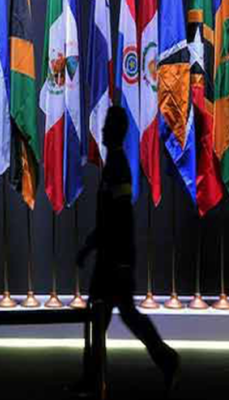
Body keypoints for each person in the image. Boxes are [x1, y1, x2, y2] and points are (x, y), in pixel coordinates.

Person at [76, 106, 180, 395]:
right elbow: (109, 218)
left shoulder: (118, 166)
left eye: (108, 125)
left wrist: (110, 257)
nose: (103, 130)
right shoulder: (114, 163)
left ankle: (94, 378)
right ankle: (164, 361)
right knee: (117, 318)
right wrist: (91, 247)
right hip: (110, 258)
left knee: (103, 320)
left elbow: (120, 217)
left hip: (114, 261)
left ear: (116, 131)